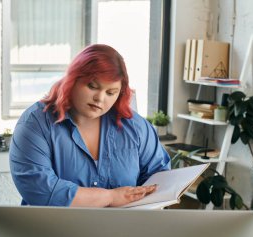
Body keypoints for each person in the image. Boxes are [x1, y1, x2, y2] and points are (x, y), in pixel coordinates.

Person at [9, 44, 171, 207]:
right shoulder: (35, 123)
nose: (100, 98)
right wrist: (110, 197)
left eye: (110, 93)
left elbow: (158, 179)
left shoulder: (136, 127)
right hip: (53, 230)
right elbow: (40, 190)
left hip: (123, 229)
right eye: (92, 86)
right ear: (72, 80)